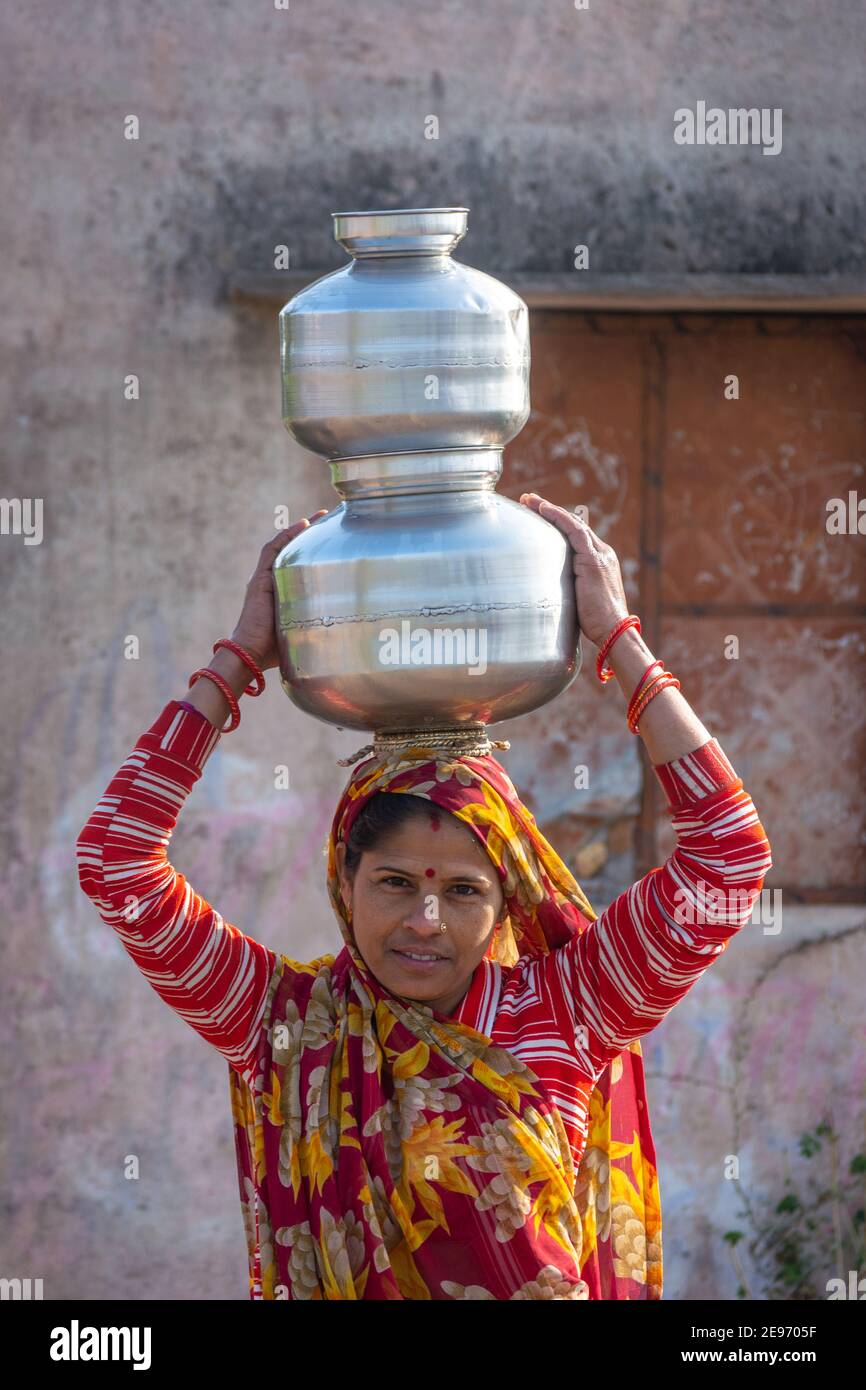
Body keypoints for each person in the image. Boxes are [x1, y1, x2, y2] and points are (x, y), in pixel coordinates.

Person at [76, 494, 772, 1300]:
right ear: (344, 881)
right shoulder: (281, 1024)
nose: (425, 921)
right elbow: (114, 861)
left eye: (464, 891)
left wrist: (618, 641)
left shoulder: (567, 1010)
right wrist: (236, 661)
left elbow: (730, 856)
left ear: (509, 898)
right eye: (395, 883)